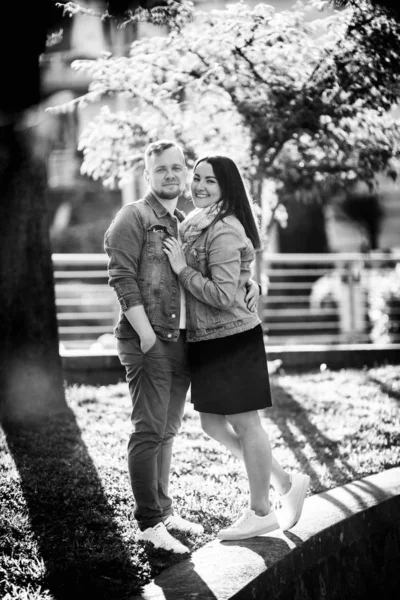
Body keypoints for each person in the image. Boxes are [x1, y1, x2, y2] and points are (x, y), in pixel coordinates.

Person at [104, 140, 260, 553]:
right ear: (147, 174)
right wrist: (148, 336)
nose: (172, 176)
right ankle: (149, 523)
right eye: (162, 170)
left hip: (182, 342)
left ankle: (164, 510)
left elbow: (220, 265)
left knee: (167, 432)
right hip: (149, 339)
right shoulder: (133, 216)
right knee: (149, 429)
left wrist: (252, 283)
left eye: (178, 169)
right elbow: (122, 279)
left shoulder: (187, 223)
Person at [163, 155, 310, 541]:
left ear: (227, 188)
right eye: (196, 178)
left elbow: (223, 293)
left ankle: (260, 510)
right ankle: (284, 481)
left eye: (210, 181)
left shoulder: (223, 227)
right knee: (212, 423)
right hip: (207, 338)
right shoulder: (195, 223)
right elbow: (236, 279)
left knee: (246, 424)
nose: (199, 186)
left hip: (232, 337)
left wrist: (182, 270)